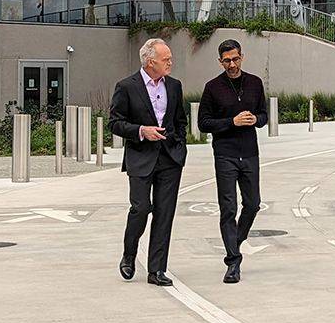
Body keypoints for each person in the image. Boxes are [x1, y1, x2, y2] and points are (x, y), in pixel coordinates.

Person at [109, 38, 188, 287]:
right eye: (166, 60)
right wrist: (142, 131)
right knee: (141, 208)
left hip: (170, 158)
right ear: (150, 62)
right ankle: (129, 254)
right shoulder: (126, 86)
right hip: (140, 157)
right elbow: (115, 123)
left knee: (165, 214)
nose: (171, 63)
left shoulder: (174, 86)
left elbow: (180, 120)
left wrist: (180, 147)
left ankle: (157, 270)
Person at [198, 39, 267, 284]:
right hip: (225, 154)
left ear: (242, 57)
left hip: (249, 153)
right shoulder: (212, 87)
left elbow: (264, 115)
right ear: (220, 61)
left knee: (253, 204)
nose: (232, 64)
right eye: (227, 60)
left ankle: (235, 242)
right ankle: (233, 262)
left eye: (235, 59)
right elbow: (203, 123)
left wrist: (255, 120)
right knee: (228, 208)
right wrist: (231, 122)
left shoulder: (255, 83)